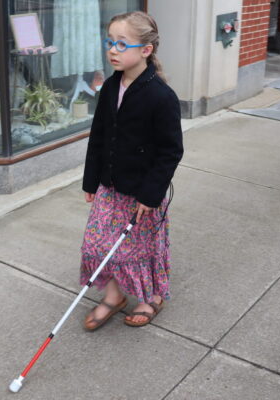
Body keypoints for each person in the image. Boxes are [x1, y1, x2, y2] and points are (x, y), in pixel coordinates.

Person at [80, 11, 184, 330]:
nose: (112, 49)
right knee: (95, 244)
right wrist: (90, 180)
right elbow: (99, 137)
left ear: (146, 50)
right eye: (110, 41)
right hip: (110, 185)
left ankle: (150, 297)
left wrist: (150, 195)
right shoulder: (110, 88)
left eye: (122, 44)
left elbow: (170, 151)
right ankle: (114, 296)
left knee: (139, 251)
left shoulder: (161, 97)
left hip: (143, 191)